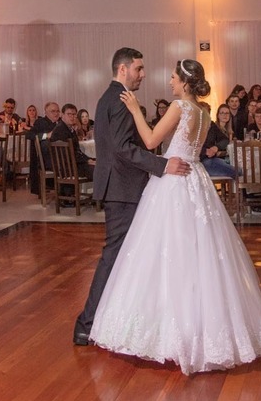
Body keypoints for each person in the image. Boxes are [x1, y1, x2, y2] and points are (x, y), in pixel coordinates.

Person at [89, 58, 261, 373]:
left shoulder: (179, 107)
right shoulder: (204, 113)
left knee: (166, 251)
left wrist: (136, 110)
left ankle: (169, 330)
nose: (169, 82)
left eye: (172, 77)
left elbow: (151, 141)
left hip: (174, 182)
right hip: (196, 179)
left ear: (184, 82)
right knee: (202, 252)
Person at [73, 47, 191, 347]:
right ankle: (86, 324)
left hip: (121, 186)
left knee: (126, 256)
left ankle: (116, 320)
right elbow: (123, 148)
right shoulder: (119, 99)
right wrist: (162, 165)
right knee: (114, 257)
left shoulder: (113, 97)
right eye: (139, 68)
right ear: (122, 69)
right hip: (122, 189)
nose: (143, 74)